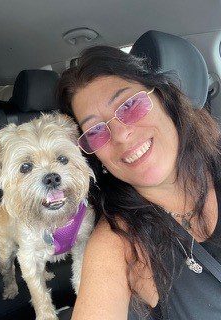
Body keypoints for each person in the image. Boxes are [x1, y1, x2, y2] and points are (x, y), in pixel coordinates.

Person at [57, 46, 221, 320]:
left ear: (164, 98)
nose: (121, 135)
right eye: (96, 131)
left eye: (129, 105)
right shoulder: (116, 246)